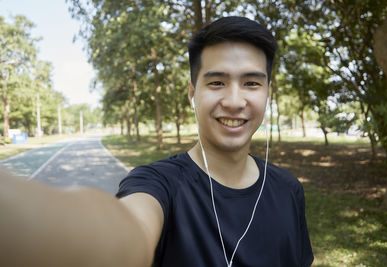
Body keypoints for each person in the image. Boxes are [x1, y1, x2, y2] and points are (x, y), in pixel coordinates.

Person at [0, 16, 313, 267]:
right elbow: (127, 231)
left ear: (268, 93)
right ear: (193, 93)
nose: (234, 101)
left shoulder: (288, 189)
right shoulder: (158, 184)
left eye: (251, 83)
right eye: (216, 82)